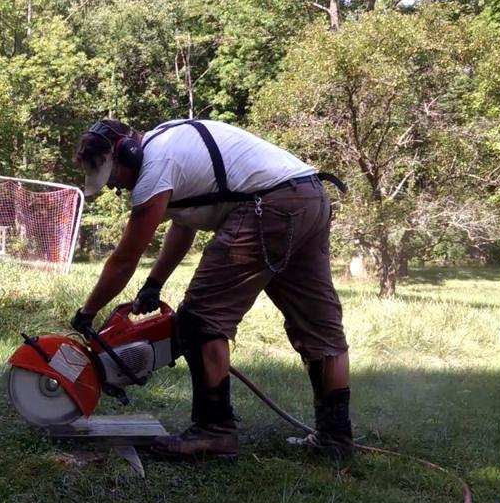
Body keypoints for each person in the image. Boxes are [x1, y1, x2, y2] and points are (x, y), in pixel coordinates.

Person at [70, 118, 353, 461]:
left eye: (115, 180)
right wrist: (154, 284)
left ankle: (214, 431)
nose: (119, 188)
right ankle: (335, 438)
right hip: (307, 195)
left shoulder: (155, 166)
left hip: (271, 205)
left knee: (200, 317)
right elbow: (183, 224)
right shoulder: (169, 143)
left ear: (127, 154)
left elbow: (123, 260)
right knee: (319, 326)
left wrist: (87, 312)